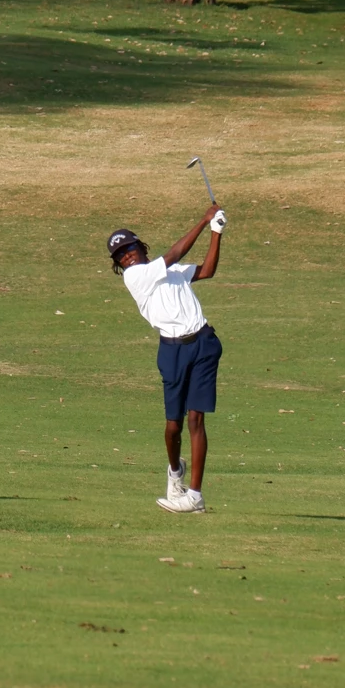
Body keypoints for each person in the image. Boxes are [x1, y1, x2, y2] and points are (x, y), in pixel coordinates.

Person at [108, 209, 227, 513]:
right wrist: (202, 219)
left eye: (129, 249)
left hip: (202, 343)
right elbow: (174, 253)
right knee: (173, 425)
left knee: (195, 419)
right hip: (172, 351)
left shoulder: (170, 272)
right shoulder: (136, 277)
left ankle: (195, 497)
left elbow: (207, 270)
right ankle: (175, 472)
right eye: (120, 256)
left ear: (141, 247)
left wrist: (216, 231)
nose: (127, 257)